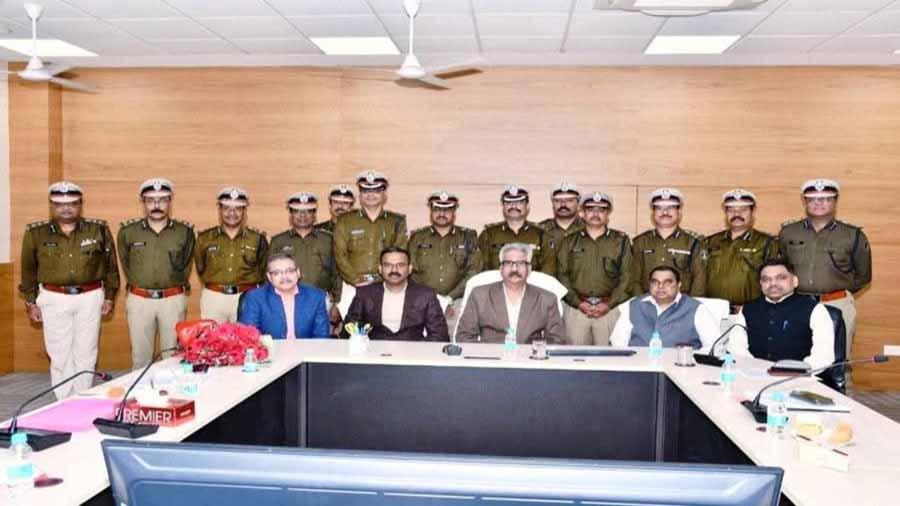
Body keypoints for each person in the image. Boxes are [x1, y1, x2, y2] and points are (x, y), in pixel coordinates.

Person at [19, 181, 119, 399]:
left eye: (72, 203)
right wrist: (31, 302)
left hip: (90, 297)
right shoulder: (36, 233)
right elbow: (28, 270)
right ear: (52, 205)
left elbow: (111, 267)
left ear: (80, 204)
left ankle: (83, 398)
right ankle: (63, 400)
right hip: (53, 298)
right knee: (60, 353)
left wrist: (110, 297)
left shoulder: (98, 229)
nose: (66, 208)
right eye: (60, 204)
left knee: (87, 351)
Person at [779, 178, 871, 360]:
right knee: (795, 357)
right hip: (798, 305)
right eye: (813, 199)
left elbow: (863, 276)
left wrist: (834, 292)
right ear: (805, 201)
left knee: (837, 359)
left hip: (837, 304)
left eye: (826, 198)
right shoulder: (788, 232)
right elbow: (780, 269)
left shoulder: (853, 235)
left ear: (835, 201)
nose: (819, 203)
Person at [117, 178, 195, 369]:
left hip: (173, 300)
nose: (156, 205)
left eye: (162, 200)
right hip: (140, 300)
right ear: (143, 202)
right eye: (151, 200)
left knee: (173, 357)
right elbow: (127, 263)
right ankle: (142, 389)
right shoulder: (128, 232)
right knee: (140, 357)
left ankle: (172, 389)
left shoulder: (184, 232)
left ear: (170, 201)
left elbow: (187, 264)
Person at [729, 259, 835, 370]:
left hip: (798, 376)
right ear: (761, 284)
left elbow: (823, 356)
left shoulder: (815, 309)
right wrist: (753, 367)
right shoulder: (748, 309)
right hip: (753, 373)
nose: (773, 284)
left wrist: (797, 372)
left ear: (795, 281)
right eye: (766, 279)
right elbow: (736, 347)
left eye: (781, 278)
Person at [557, 191, 632, 346]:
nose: (596, 214)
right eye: (591, 209)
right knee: (574, 357)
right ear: (583, 213)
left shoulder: (621, 241)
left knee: (609, 357)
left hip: (610, 309)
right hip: (576, 309)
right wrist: (578, 303)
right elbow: (562, 275)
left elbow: (627, 277)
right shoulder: (569, 241)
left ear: (608, 214)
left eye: (601, 209)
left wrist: (609, 304)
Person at [456, 243, 565, 344]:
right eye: (508, 263)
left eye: (520, 263)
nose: (514, 269)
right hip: (491, 357)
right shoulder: (480, 295)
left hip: (529, 357)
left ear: (529, 269)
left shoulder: (547, 299)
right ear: (501, 269)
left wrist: (536, 353)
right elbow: (464, 336)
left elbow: (557, 340)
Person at [408, 191, 482, 336]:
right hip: (422, 300)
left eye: (447, 209)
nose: (442, 214)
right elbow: (410, 271)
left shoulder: (468, 237)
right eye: (437, 209)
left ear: (454, 211)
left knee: (457, 338)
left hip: (457, 301)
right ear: (430, 210)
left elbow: (474, 271)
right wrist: (430, 297)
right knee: (420, 341)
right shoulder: (417, 237)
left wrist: (449, 298)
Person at [342, 247, 449, 341]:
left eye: (400, 265)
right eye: (388, 265)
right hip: (373, 352)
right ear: (380, 269)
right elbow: (348, 330)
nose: (394, 270)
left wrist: (417, 353)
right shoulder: (365, 293)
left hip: (412, 353)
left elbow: (440, 335)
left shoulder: (426, 295)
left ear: (409, 269)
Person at [195, 187, 269, 322]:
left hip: (247, 297)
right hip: (214, 297)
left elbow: (264, 270)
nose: (232, 213)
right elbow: (201, 268)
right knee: (212, 335)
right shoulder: (205, 238)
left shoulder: (258, 239)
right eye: (227, 208)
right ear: (220, 210)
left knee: (246, 334)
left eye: (237, 209)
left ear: (244, 211)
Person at [270, 191, 341, 326]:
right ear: (291, 214)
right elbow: (268, 276)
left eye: (308, 211)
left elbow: (337, 274)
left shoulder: (328, 240)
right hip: (285, 301)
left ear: (314, 214)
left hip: (321, 301)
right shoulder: (278, 241)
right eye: (297, 211)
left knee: (321, 338)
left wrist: (337, 303)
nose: (302, 215)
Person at [705, 189, 780, 314]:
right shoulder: (710, 242)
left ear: (752, 212)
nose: (737, 214)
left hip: (752, 311)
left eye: (743, 210)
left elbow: (774, 281)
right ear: (725, 212)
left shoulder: (767, 243)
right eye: (731, 210)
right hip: (714, 311)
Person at [610, 266, 718, 351]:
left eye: (667, 282)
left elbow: (714, 346)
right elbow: (618, 343)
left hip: (680, 368)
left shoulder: (696, 309)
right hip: (639, 367)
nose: (660, 287)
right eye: (655, 282)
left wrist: (689, 359)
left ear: (679, 285)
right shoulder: (633, 306)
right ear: (649, 285)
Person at [333, 171, 408, 286]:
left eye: (376, 191)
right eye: (366, 191)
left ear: (384, 194)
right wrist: (356, 280)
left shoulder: (397, 221)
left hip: (387, 284)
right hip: (352, 285)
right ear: (360, 195)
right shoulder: (344, 221)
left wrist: (382, 280)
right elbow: (340, 255)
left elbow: (399, 256)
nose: (371, 195)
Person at [631, 187, 706, 297]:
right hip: (647, 301)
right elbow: (634, 279)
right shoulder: (640, 242)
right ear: (653, 213)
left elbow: (699, 280)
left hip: (682, 303)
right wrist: (642, 303)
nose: (665, 212)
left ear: (679, 212)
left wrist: (690, 305)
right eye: (659, 208)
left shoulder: (694, 243)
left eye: (670, 207)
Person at [239, 252, 331, 339]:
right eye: (276, 273)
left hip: (307, 349)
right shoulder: (255, 297)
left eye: (290, 271)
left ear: (298, 272)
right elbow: (249, 336)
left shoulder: (316, 296)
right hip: (270, 349)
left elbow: (321, 337)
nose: (284, 277)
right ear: (269, 277)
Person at [479, 185, 553, 273]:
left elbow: (548, 272)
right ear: (503, 206)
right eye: (508, 202)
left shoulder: (541, 234)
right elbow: (482, 271)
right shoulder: (488, 234)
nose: (514, 206)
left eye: (519, 202)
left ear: (527, 206)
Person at [539, 182, 584, 263]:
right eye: (558, 200)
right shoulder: (540, 230)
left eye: (569, 200)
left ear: (578, 204)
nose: (563, 204)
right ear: (553, 204)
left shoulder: (589, 229)